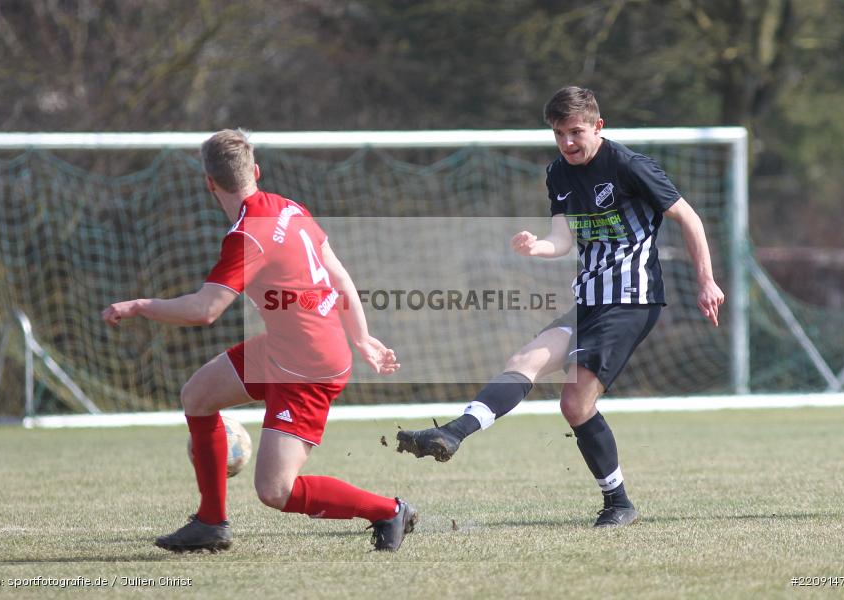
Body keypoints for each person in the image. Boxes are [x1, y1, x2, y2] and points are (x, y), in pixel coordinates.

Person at [397, 86, 725, 528]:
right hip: (587, 300)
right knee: (522, 362)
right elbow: (564, 239)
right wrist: (537, 247)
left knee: (575, 402)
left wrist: (706, 280)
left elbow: (689, 218)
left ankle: (618, 503)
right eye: (559, 134)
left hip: (631, 301)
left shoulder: (629, 166)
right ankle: (452, 433)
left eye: (575, 132)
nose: (568, 143)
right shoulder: (558, 173)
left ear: (597, 126)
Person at [102, 129, 417, 552]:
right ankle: (210, 523)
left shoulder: (248, 236)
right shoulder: (287, 207)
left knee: (275, 491)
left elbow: (205, 310)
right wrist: (360, 336)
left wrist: (141, 305)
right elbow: (338, 273)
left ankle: (388, 510)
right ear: (255, 171)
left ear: (209, 182)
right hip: (287, 348)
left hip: (310, 367)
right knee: (197, 395)